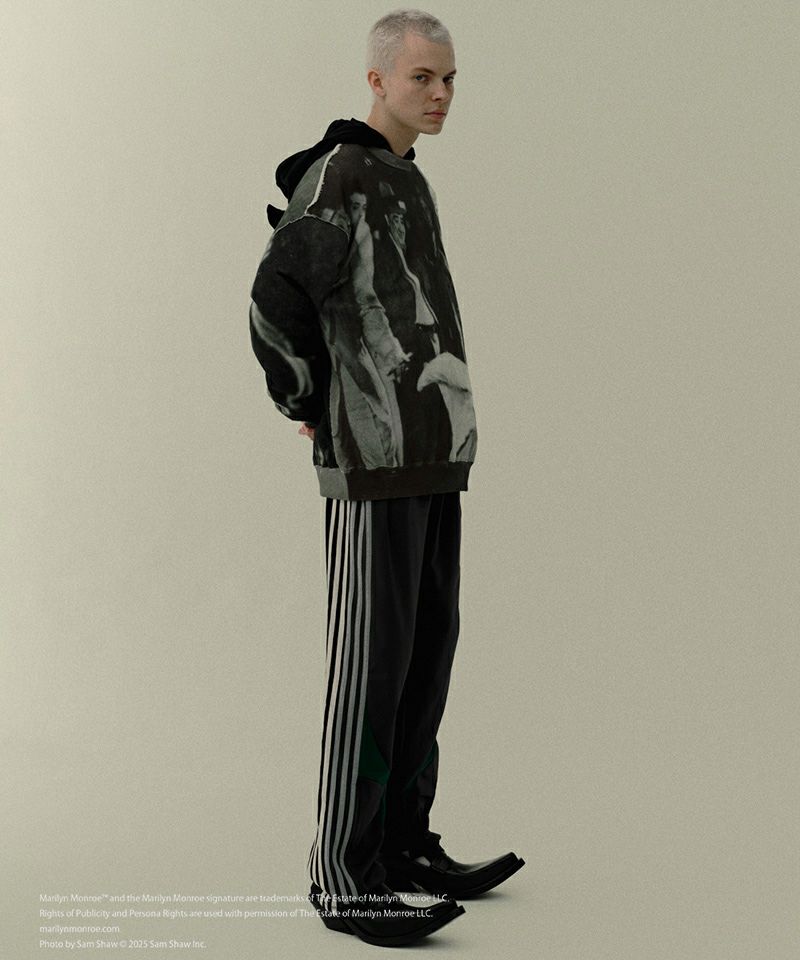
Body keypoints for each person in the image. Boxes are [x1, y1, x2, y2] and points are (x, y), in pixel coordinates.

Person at [248, 8, 524, 947]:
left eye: (449, 80)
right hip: (371, 468)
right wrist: (305, 397)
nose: (440, 95)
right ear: (376, 81)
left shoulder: (405, 176)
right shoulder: (340, 175)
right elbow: (275, 292)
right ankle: (343, 877)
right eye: (421, 78)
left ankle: (402, 845)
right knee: (370, 670)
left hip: (432, 458)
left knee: (423, 658)